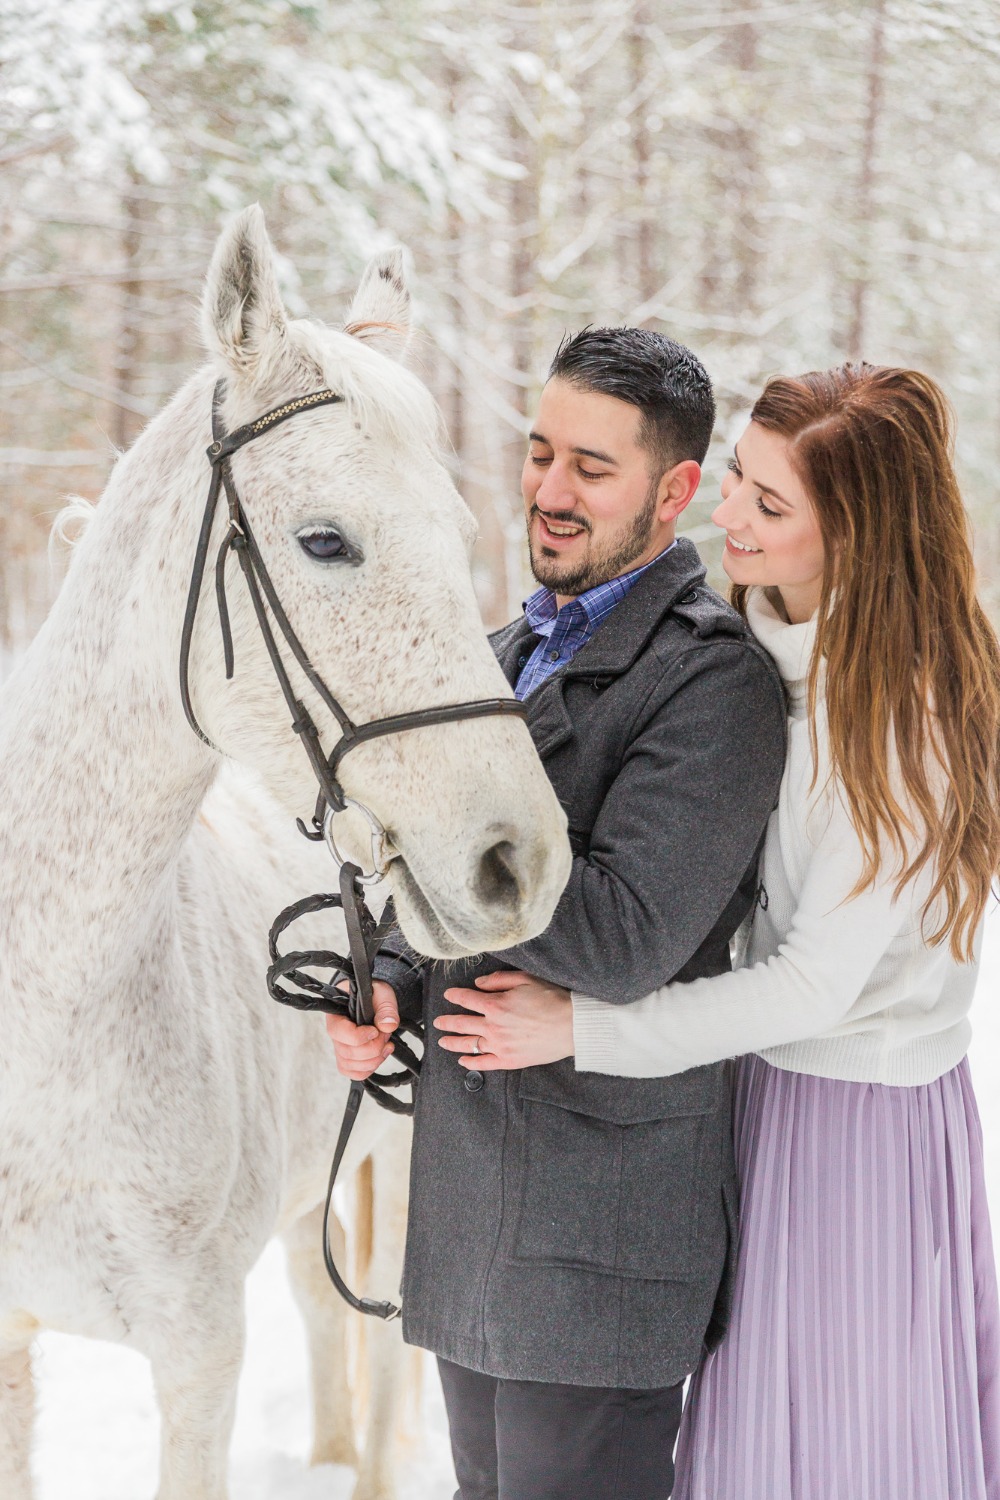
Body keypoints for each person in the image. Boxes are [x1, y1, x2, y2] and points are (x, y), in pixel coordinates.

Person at [442, 362, 1000, 1500]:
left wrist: (579, 1026)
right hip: (740, 1089)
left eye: (769, 504)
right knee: (741, 1438)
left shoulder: (904, 720)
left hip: (854, 1116)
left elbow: (809, 989)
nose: (727, 515)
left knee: (834, 1444)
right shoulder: (749, 635)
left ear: (857, 534)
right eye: (739, 478)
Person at [327, 326, 787, 1500]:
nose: (549, 489)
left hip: (602, 1242)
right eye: (541, 453)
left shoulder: (710, 681)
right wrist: (385, 982)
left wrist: (418, 834)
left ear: (675, 490)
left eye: (592, 466)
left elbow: (622, 935)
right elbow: (436, 896)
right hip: (477, 1208)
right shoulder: (499, 654)